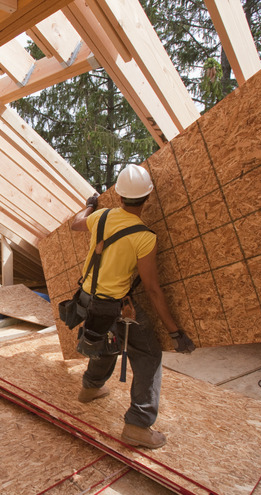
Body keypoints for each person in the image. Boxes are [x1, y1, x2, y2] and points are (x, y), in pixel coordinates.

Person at [69, 164, 195, 449]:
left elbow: (74, 223)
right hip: (114, 304)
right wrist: (175, 332)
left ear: (119, 195)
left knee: (103, 337)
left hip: (88, 300)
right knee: (148, 354)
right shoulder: (145, 237)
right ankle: (138, 425)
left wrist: (89, 206)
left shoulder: (100, 217)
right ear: (147, 198)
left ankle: (90, 387)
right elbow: (152, 289)